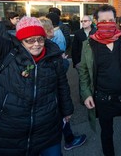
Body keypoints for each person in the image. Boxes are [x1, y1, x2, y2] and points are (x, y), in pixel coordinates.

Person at [0, 0, 74, 155]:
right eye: (30, 40)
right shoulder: (8, 52)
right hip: (9, 131)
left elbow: (62, 86)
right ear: (21, 41)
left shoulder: (53, 58)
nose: (36, 44)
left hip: (47, 130)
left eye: (40, 39)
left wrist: (67, 110)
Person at [79, 4, 121, 156]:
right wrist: (86, 94)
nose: (107, 24)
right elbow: (83, 71)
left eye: (111, 20)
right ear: (96, 22)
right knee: (106, 133)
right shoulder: (89, 45)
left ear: (115, 21)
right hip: (103, 100)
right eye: (103, 21)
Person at [38, 16, 87, 151]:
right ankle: (68, 140)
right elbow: (54, 75)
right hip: (51, 96)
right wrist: (63, 61)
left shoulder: (46, 46)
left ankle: (69, 138)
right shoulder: (46, 48)